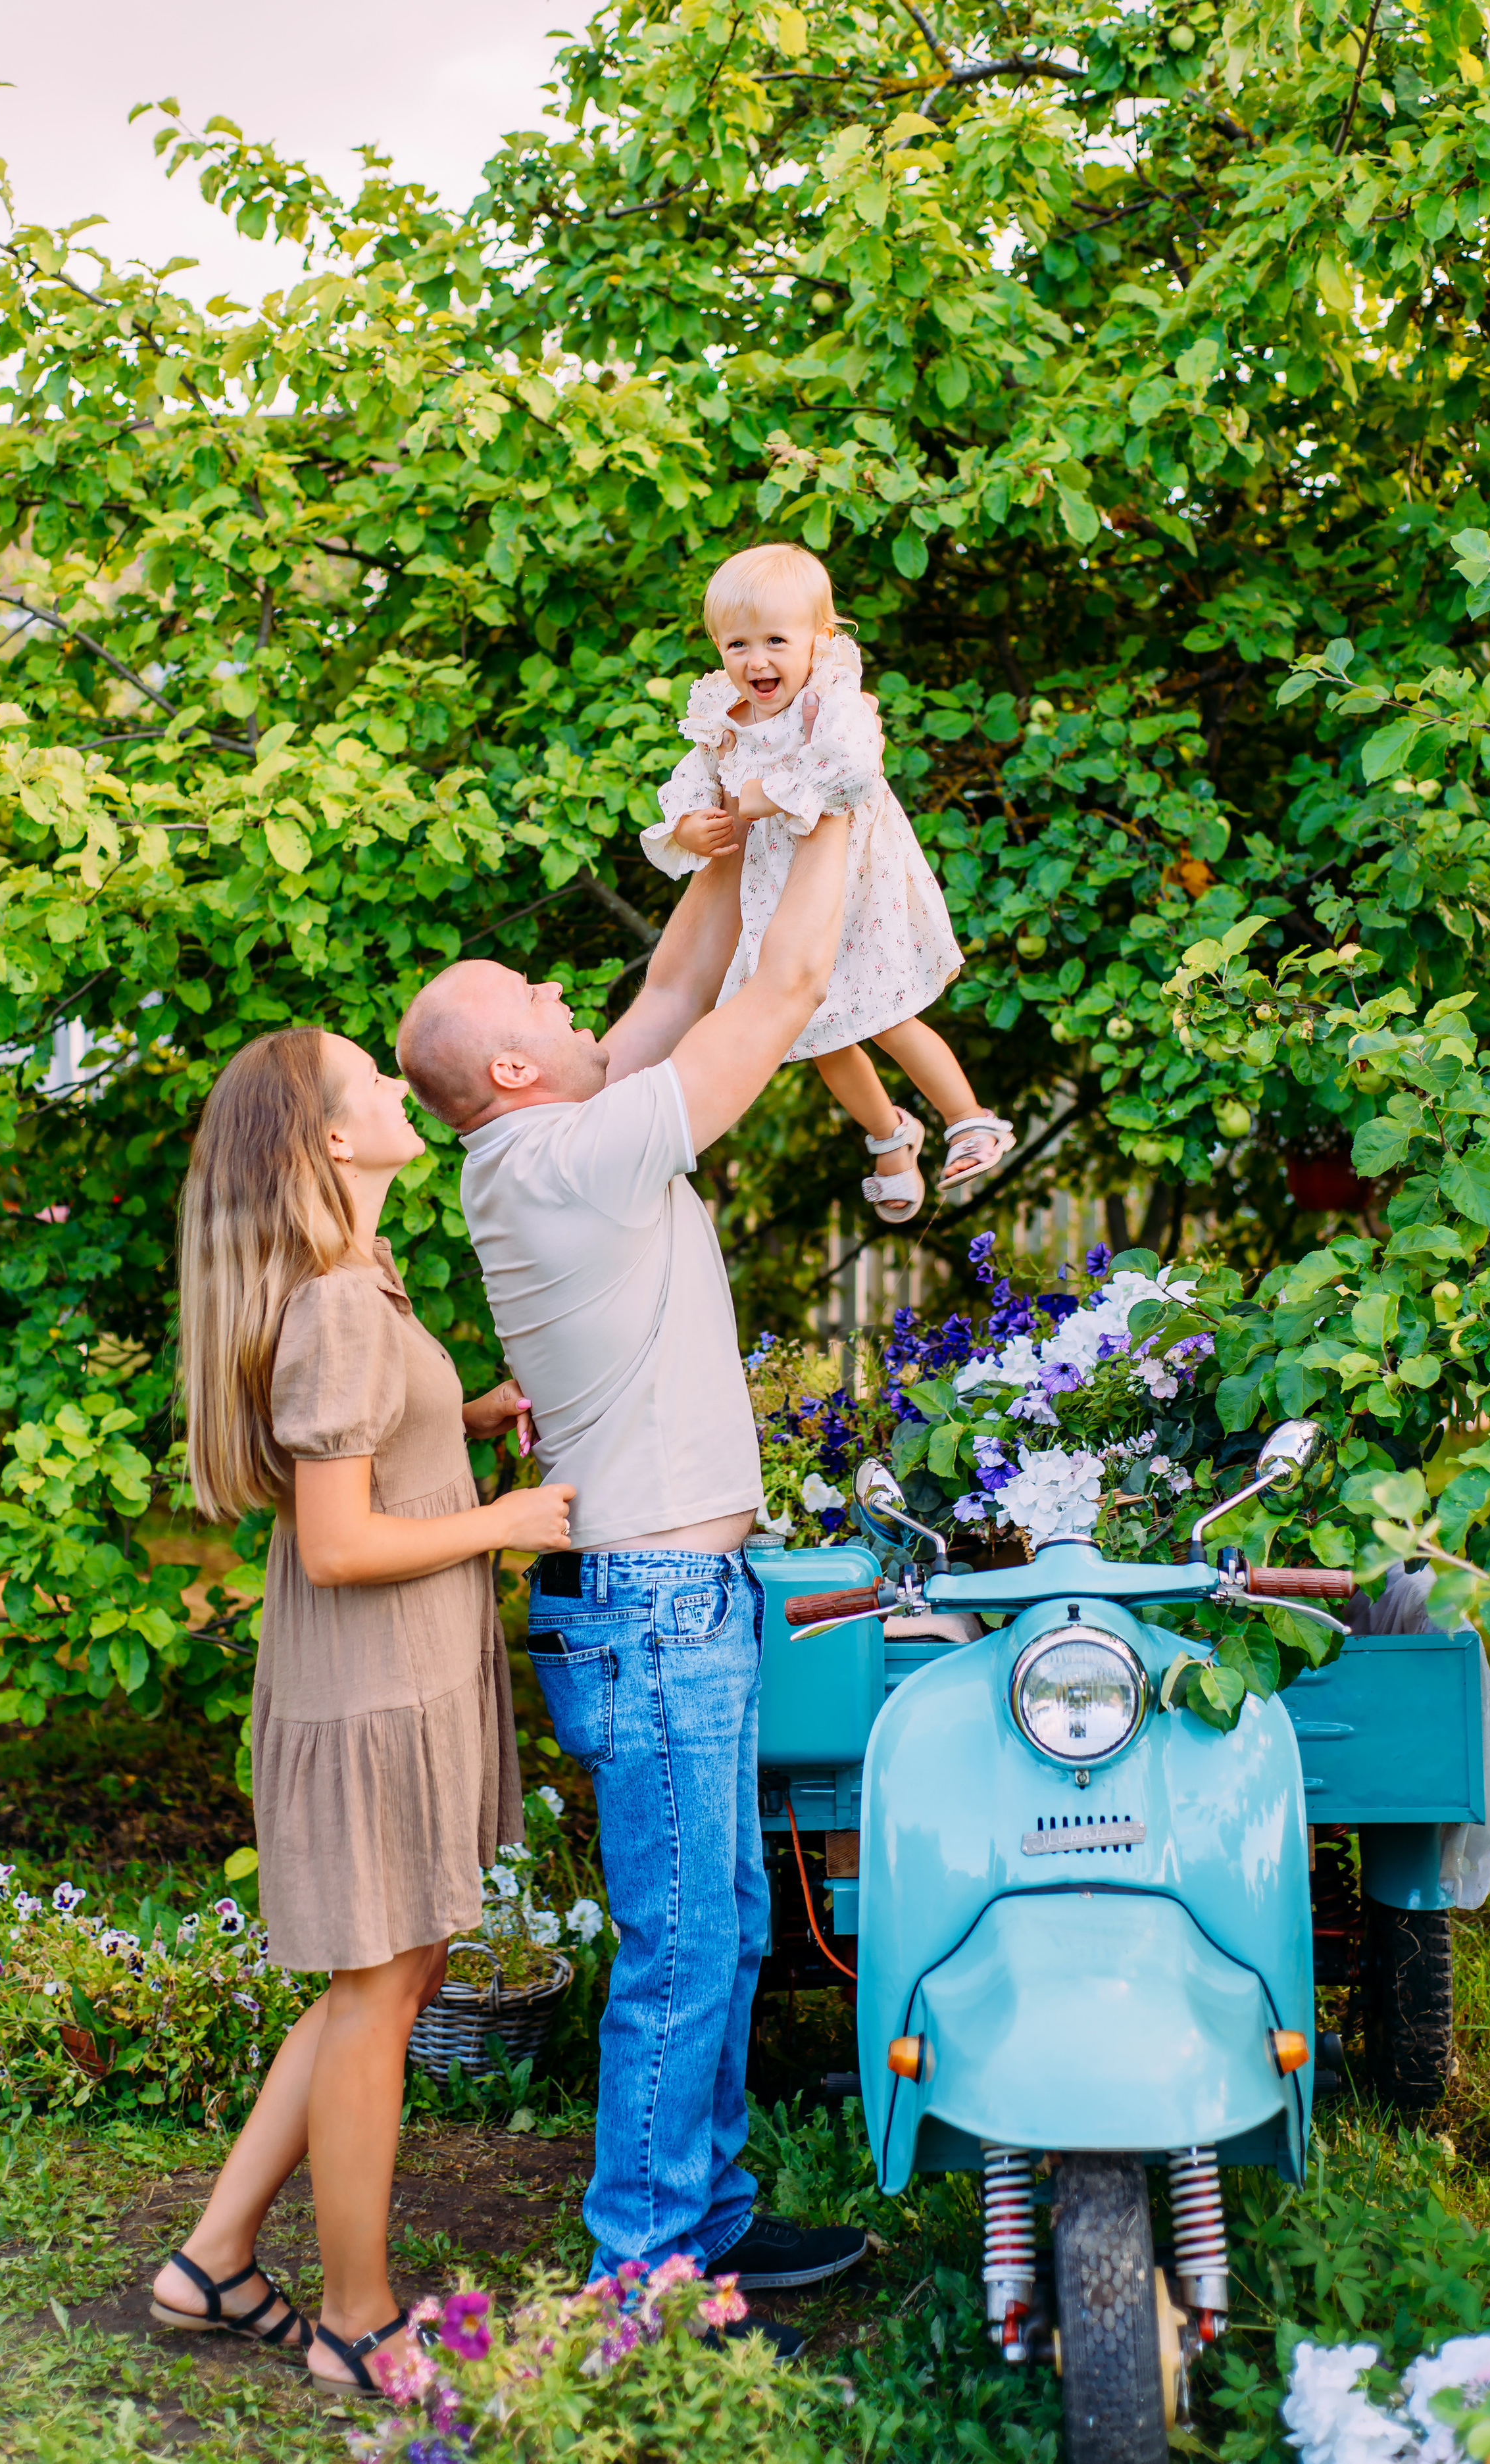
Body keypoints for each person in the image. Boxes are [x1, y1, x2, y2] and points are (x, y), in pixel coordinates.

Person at [395, 786, 868, 2341]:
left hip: (674, 1606)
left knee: (720, 1916)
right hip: (657, 1614)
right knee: (686, 1940)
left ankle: (706, 2214)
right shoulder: (563, 1164)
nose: (567, 994)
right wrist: (834, 798)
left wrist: (728, 854)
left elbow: (674, 988)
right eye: (539, 996)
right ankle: (638, 2272)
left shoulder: (555, 1136)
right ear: (517, 1067)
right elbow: (776, 995)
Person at [151, 1027, 573, 2398]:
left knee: (385, 1982)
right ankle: (355, 2316)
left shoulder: (361, 1287)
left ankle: (214, 2258)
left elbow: (379, 1460)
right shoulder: (336, 1302)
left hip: (399, 1674)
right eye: (371, 1082)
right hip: (369, 1687)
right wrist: (507, 1520)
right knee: (380, 1992)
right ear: (334, 1141)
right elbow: (337, 1543)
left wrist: (470, 1420)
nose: (399, 1090)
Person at [638, 539, 1014, 1225]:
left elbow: (852, 770)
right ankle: (891, 1139)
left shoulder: (832, 698)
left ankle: (969, 1117)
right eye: (736, 644)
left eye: (775, 640)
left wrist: (761, 796)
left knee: (887, 1013)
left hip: (854, 888)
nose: (756, 662)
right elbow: (696, 778)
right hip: (775, 900)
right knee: (811, 1030)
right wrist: (690, 823)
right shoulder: (723, 714)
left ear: (819, 636)